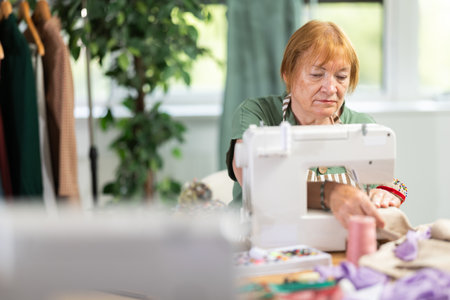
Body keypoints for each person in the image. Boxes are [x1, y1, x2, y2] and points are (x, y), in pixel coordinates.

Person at [226, 20, 407, 229]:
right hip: (258, 239)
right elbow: (255, 184)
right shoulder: (258, 115)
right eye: (316, 74)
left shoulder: (362, 125)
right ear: (288, 74)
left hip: (333, 242)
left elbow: (384, 184)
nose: (330, 88)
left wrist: (387, 193)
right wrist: (330, 192)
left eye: (341, 77)